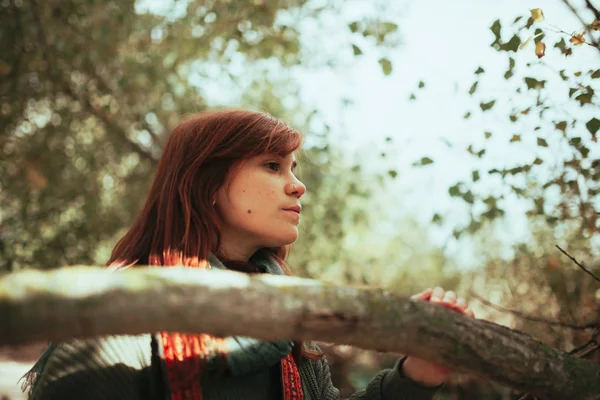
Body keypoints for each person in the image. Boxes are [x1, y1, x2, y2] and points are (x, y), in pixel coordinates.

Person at [22, 109, 475, 400]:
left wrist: (416, 373)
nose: (298, 186)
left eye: (293, 169)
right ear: (207, 182)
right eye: (272, 165)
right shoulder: (118, 322)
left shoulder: (290, 325)